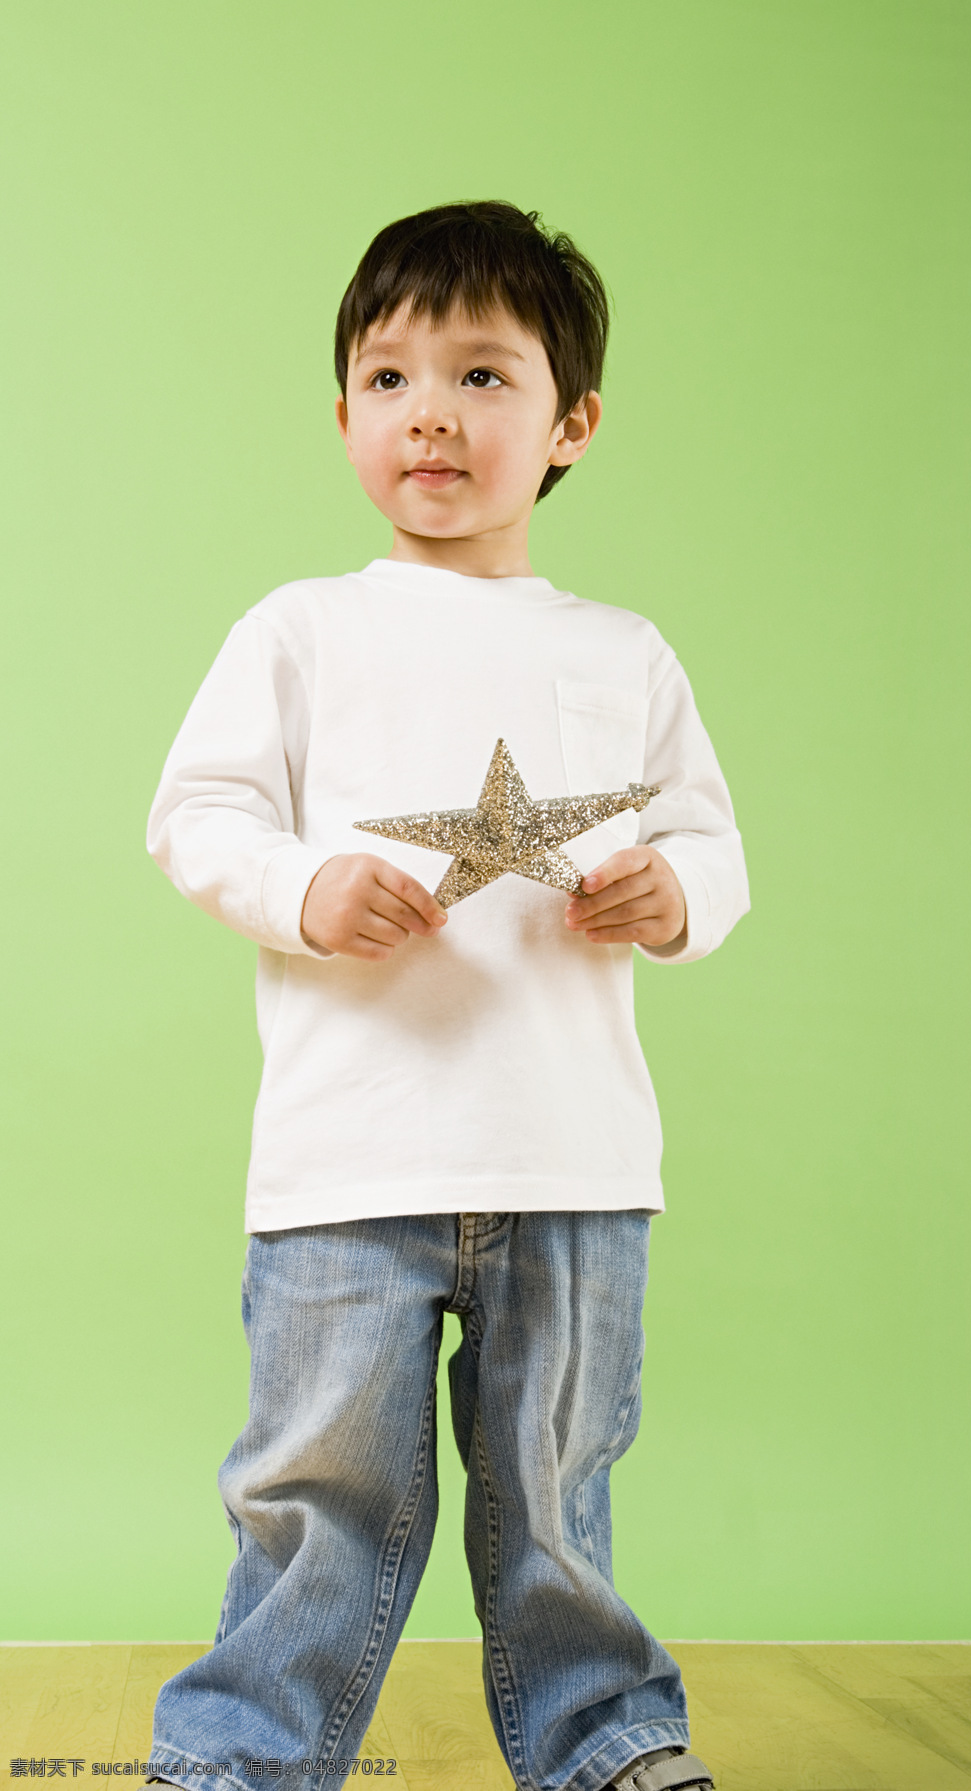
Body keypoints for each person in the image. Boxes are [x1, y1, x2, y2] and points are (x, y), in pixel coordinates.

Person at [144, 200, 749, 1791]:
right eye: (391, 375)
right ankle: (241, 1755)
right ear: (342, 411)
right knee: (314, 1491)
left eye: (485, 376)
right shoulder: (301, 629)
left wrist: (675, 895)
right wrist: (303, 888)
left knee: (555, 1491)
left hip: (576, 1164)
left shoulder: (623, 651)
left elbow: (710, 837)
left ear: (572, 425)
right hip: (352, 1162)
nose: (432, 412)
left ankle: (606, 1740)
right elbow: (197, 816)